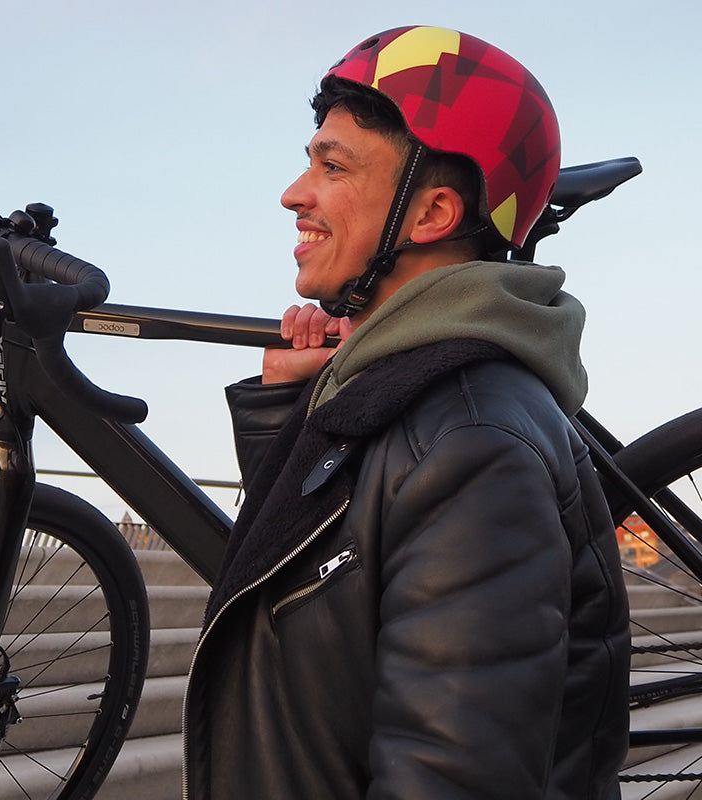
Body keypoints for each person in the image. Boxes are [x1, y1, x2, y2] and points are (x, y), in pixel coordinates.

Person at [182, 25, 630, 800]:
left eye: (332, 165)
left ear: (431, 216)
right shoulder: (413, 409)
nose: (295, 193)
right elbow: (324, 623)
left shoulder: (471, 447)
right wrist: (296, 414)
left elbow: (453, 777)